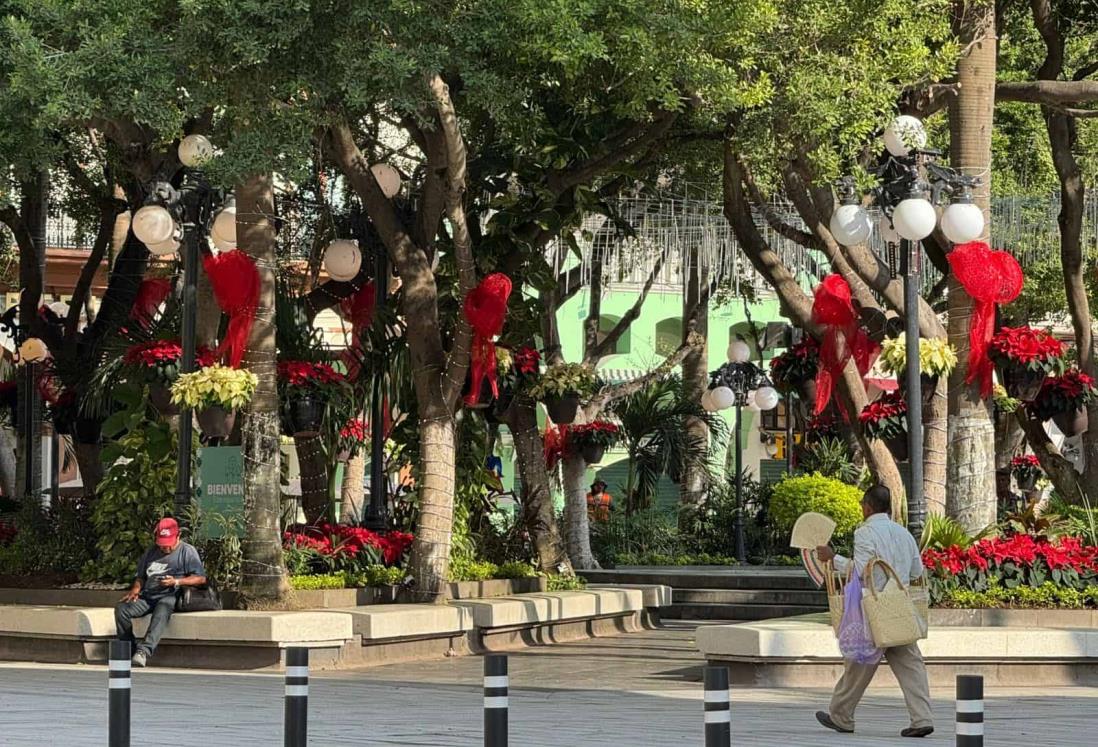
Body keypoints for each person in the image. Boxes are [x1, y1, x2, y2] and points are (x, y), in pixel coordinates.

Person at [814, 485, 933, 738]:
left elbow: (860, 571)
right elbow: (915, 572)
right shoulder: (904, 533)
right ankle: (921, 718)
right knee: (911, 663)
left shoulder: (865, 532)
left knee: (860, 662)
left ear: (867, 507)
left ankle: (841, 715)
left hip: (874, 607)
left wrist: (832, 558)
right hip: (899, 607)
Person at [115, 517, 207, 667]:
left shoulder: (187, 551)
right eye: (162, 545)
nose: (165, 548)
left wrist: (176, 581)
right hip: (149, 595)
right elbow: (141, 576)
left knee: (163, 607)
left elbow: (200, 578)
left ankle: (144, 651)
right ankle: (127, 649)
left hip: (171, 594)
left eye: (169, 545)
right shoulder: (151, 552)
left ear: (178, 536)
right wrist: (136, 589)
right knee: (122, 609)